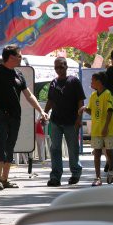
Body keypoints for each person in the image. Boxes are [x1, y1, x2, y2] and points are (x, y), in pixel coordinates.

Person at [0, 45, 48, 190]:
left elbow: (29, 95)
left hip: (15, 116)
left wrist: (41, 110)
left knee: (10, 145)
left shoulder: (18, 74)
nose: (21, 58)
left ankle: (5, 179)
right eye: (19, 55)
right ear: (11, 57)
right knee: (1, 141)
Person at [43, 57, 85, 187]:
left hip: (71, 121)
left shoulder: (74, 81)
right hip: (56, 121)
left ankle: (75, 173)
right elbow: (50, 100)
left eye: (61, 67)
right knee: (55, 148)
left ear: (66, 67)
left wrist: (79, 118)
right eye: (56, 67)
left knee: (73, 148)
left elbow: (80, 101)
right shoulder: (53, 83)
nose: (58, 70)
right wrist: (44, 113)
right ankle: (55, 176)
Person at [79, 72, 113, 186]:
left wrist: (105, 127)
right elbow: (92, 111)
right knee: (97, 152)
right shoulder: (93, 96)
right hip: (96, 130)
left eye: (92, 80)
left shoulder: (107, 94)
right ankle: (97, 177)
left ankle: (111, 170)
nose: (91, 83)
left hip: (108, 129)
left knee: (109, 152)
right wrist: (85, 109)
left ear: (99, 82)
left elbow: (110, 111)